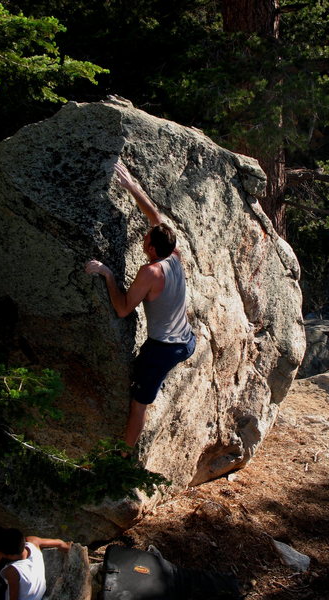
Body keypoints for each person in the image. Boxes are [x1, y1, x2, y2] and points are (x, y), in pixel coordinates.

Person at [85, 161, 196, 449]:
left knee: (138, 404)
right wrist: (132, 187)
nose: (144, 237)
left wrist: (107, 274)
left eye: (145, 239)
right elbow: (155, 217)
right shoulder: (175, 255)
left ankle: (123, 460)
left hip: (165, 349)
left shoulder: (151, 272)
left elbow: (123, 309)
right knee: (144, 383)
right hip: (186, 339)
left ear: (150, 249)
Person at [0, 528, 71, 600]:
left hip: (26, 597)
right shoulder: (33, 541)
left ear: (9, 556)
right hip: (37, 590)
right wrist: (68, 547)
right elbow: (60, 543)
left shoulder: (13, 571)